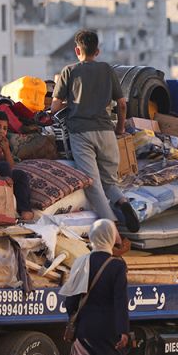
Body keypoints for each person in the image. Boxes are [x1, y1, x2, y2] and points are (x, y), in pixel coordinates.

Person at [48, 219, 135, 355]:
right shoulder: (116, 265)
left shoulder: (81, 262)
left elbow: (71, 300)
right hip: (108, 329)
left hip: (85, 327)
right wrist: (123, 331)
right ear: (109, 237)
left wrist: (73, 321)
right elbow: (119, 301)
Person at [49, 30, 139, 231]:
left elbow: (54, 108)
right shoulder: (108, 70)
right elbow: (122, 104)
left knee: (92, 183)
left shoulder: (69, 71)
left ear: (76, 50)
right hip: (107, 132)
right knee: (110, 180)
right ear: (97, 51)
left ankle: (111, 228)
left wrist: (70, 103)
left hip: (81, 132)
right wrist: (120, 128)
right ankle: (123, 202)